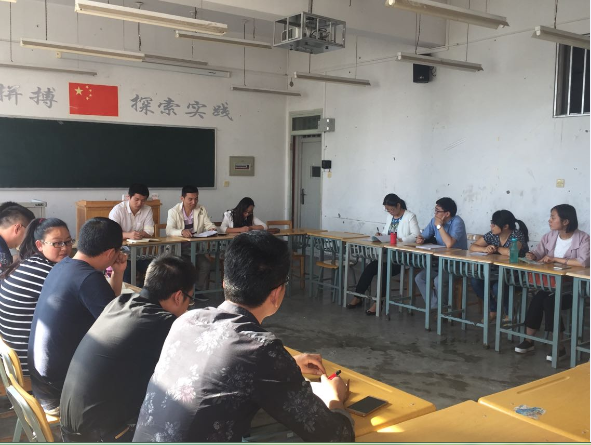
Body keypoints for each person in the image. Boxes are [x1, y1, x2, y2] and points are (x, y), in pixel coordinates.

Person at [133, 231, 354, 442]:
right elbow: (335, 436)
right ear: (276, 294)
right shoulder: (261, 349)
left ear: (225, 281)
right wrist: (335, 398)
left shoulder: (186, 321)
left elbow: (223, 369)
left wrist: (289, 365)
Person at [60, 254, 197, 443]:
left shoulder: (120, 302)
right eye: (190, 300)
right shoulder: (163, 323)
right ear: (179, 296)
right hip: (98, 437)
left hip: (70, 427)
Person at [28, 217, 128, 415]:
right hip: (61, 395)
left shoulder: (63, 265)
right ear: (111, 253)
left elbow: (109, 309)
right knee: (135, 369)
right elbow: (119, 327)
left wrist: (118, 272)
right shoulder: (89, 278)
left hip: (42, 386)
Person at [514, 204, 590, 361]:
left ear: (566, 221)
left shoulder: (583, 238)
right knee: (537, 298)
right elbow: (539, 252)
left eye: (553, 217)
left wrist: (555, 259)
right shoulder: (550, 236)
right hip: (552, 285)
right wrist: (532, 255)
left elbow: (583, 262)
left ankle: (559, 347)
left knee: (550, 302)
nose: (549, 220)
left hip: (573, 289)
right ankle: (529, 341)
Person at [0, 218, 73, 375]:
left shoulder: (24, 264)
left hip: (13, 362)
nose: (65, 248)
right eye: (57, 243)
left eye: (68, 242)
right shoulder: (48, 273)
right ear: (39, 245)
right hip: (31, 366)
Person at [347, 194, 420, 315]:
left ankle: (378, 302)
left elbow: (416, 236)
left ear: (398, 205)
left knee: (384, 271)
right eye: (388, 210)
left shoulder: (410, 216)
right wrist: (381, 235)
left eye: (392, 209)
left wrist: (400, 240)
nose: (390, 212)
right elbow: (386, 232)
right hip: (387, 255)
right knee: (370, 268)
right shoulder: (390, 217)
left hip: (402, 257)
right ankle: (358, 296)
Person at [469, 210, 529, 321]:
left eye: (494, 224)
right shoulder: (493, 234)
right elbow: (472, 247)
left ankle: (509, 313)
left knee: (497, 287)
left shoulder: (517, 235)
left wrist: (496, 248)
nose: (491, 226)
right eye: (491, 223)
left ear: (505, 226)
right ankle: (493, 309)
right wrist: (485, 249)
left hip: (514, 276)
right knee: (475, 281)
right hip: (495, 273)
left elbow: (512, 253)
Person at [415, 197, 467, 309]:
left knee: (438, 280)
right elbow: (423, 235)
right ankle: (436, 305)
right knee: (420, 278)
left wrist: (439, 226)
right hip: (440, 262)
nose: (435, 213)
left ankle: (441, 307)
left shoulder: (457, 222)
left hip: (456, 264)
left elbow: (449, 244)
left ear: (447, 213)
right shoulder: (434, 220)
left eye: (437, 211)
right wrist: (420, 239)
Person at [165, 185, 217, 299]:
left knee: (206, 265)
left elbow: (208, 224)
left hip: (195, 248)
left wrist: (212, 228)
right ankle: (183, 292)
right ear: (182, 198)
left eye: (196, 199)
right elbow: (169, 230)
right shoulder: (173, 211)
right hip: (179, 249)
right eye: (190, 199)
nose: (193, 202)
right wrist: (181, 232)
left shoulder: (201, 209)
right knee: (185, 266)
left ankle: (197, 290)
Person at [108, 183, 154, 283]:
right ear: (128, 197)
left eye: (143, 200)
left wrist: (140, 234)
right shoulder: (118, 210)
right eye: (136, 199)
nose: (139, 203)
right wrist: (128, 235)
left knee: (155, 269)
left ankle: (143, 292)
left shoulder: (148, 210)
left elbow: (149, 231)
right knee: (126, 270)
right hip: (120, 254)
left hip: (139, 255)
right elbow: (111, 233)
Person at [0, 205, 35, 271]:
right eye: (29, 232)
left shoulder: (3, 245)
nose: (28, 237)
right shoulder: (2, 250)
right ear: (17, 228)